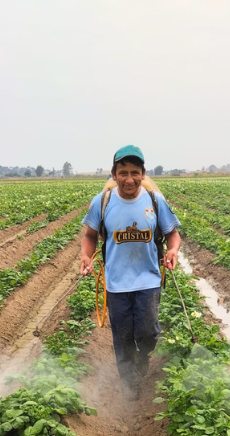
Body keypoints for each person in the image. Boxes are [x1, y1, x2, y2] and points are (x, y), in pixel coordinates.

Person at [80, 145, 181, 399]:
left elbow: (172, 233)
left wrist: (173, 250)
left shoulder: (154, 201)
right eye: (122, 172)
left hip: (148, 279)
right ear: (113, 175)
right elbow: (90, 236)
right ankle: (129, 384)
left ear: (143, 174)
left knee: (147, 332)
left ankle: (143, 357)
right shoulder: (102, 202)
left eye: (134, 172)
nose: (129, 179)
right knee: (123, 336)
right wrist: (85, 255)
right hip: (116, 284)